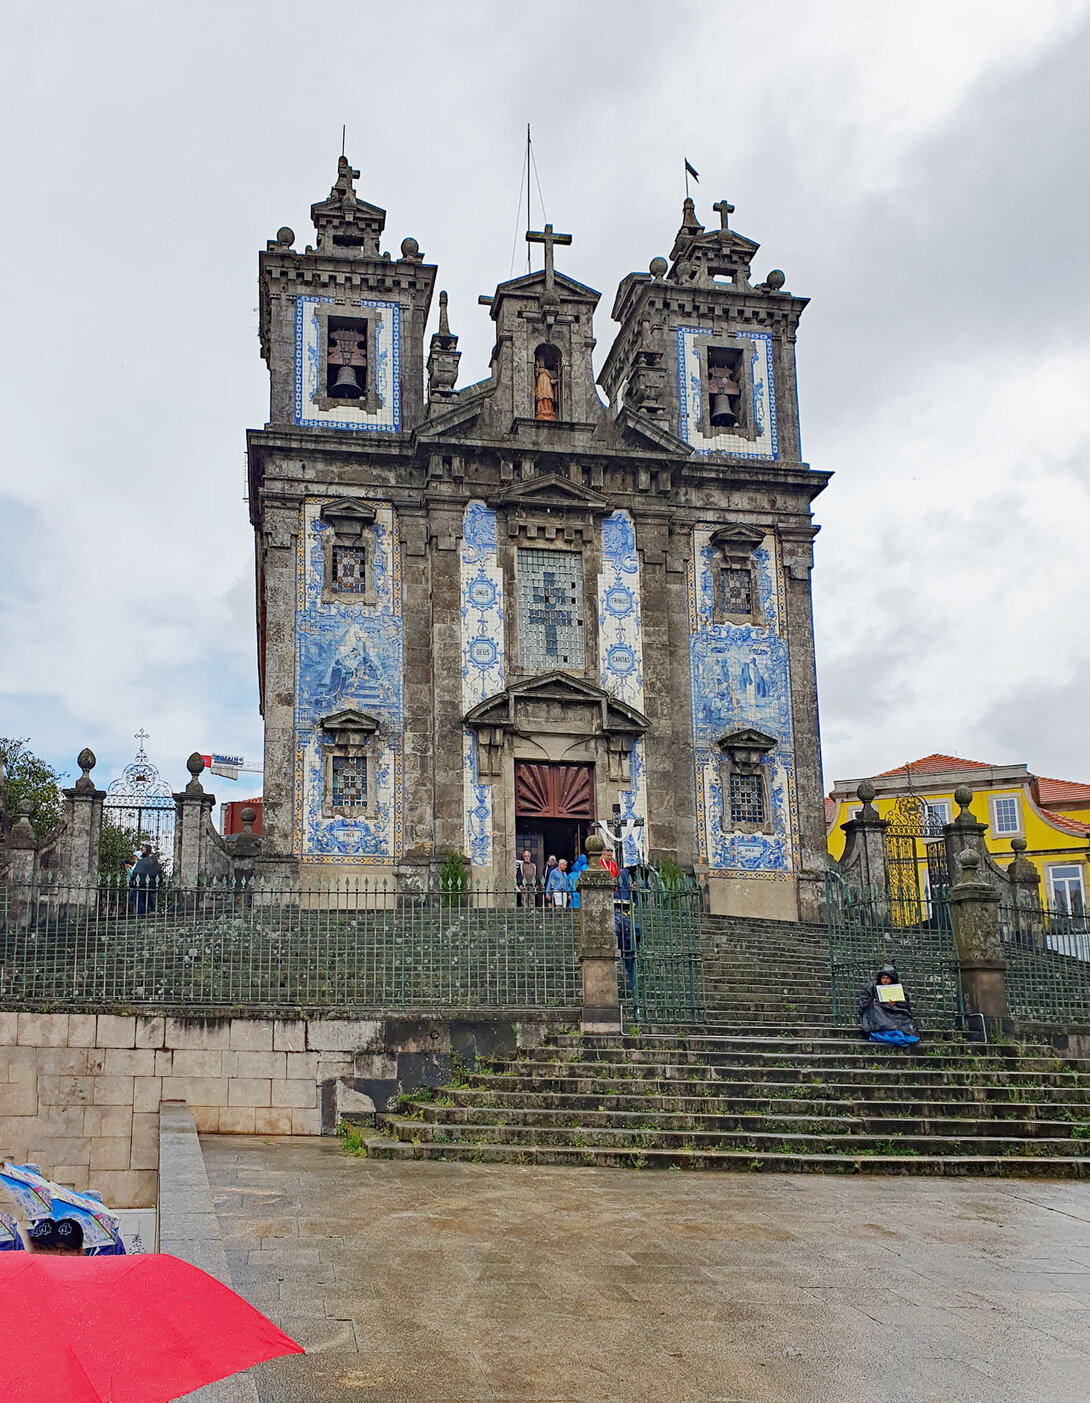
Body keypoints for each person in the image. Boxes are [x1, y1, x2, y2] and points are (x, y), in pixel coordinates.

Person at [859, 965, 920, 1046]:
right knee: (875, 1008)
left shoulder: (898, 989)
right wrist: (871, 1001)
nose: (885, 981)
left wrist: (896, 1003)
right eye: (883, 978)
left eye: (887, 978)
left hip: (894, 1010)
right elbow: (863, 1002)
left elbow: (905, 1004)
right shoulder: (872, 987)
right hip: (878, 1010)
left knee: (902, 1014)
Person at [129, 843, 163, 915]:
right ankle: (151, 910)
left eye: (143, 849)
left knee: (140, 902)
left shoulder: (142, 861)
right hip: (149, 884)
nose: (142, 851)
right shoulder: (153, 861)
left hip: (141, 885)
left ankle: (141, 916)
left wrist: (133, 881)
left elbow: (136, 873)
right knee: (147, 898)